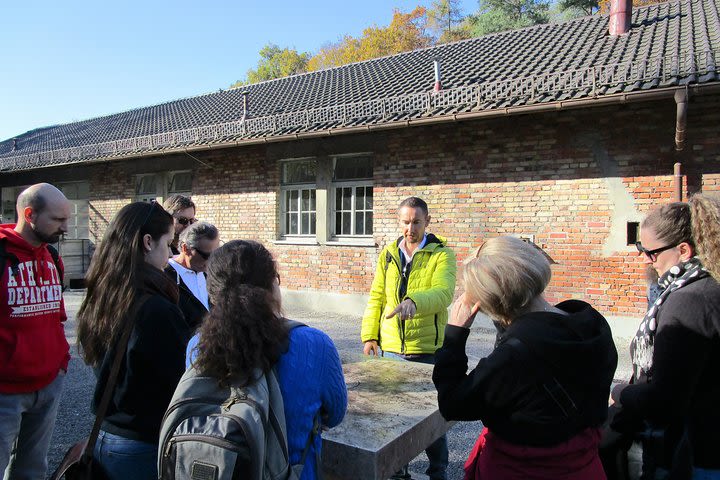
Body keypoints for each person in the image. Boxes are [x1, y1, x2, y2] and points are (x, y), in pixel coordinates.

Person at [433, 236, 618, 480]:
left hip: (523, 470)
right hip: (585, 467)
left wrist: (455, 334)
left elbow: (453, 404)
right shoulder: (591, 323)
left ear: (491, 303)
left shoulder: (515, 355)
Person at [186, 240, 347, 480]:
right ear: (272, 287)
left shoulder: (198, 345)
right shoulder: (314, 344)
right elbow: (334, 415)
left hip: (221, 469)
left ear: (212, 293)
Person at [76, 201, 192, 480]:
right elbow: (180, 380)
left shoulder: (106, 293)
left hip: (107, 434)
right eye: (168, 243)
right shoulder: (155, 308)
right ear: (148, 242)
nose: (171, 253)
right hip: (141, 443)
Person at [609, 194, 720, 479]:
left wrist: (619, 391)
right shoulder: (709, 284)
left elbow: (665, 402)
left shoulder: (690, 301)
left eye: (652, 253)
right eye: (640, 249)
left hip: (697, 452)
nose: (645, 260)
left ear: (683, 250)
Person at [360, 196, 456, 480]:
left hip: (426, 349)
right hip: (391, 350)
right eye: (405, 222)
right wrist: (369, 335)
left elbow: (444, 293)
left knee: (430, 422)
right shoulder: (388, 254)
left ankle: (437, 472)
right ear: (398, 221)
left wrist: (414, 300)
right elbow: (376, 296)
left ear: (427, 221)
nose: (410, 228)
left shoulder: (441, 254)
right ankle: (397, 471)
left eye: (416, 222)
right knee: (393, 420)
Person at [0, 183, 71, 479]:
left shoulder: (52, 257)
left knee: (32, 470)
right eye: (58, 220)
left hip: (48, 384)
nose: (65, 227)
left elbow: (56, 317)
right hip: (4, 392)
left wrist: (61, 363)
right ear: (29, 214)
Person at [164, 221, 219, 329]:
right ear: (185, 248)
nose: (210, 261)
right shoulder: (166, 276)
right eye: (206, 255)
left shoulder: (210, 275)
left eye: (216, 254)